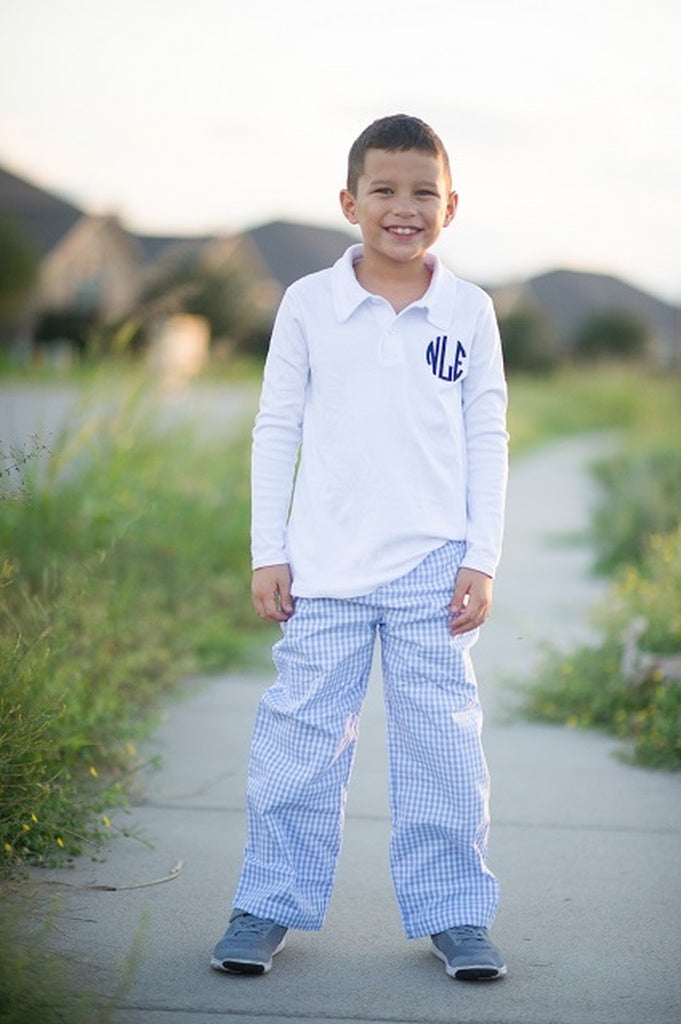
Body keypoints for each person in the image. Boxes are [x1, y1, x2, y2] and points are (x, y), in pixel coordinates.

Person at [211, 114, 509, 982]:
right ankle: (266, 903)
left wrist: (480, 557)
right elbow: (276, 429)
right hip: (325, 565)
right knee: (298, 743)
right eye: (383, 190)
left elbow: (487, 436)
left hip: (433, 567)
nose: (402, 207)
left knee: (441, 749)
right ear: (350, 201)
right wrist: (269, 550)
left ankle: (456, 915)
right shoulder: (309, 303)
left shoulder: (470, 310)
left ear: (450, 206)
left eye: (423, 192)